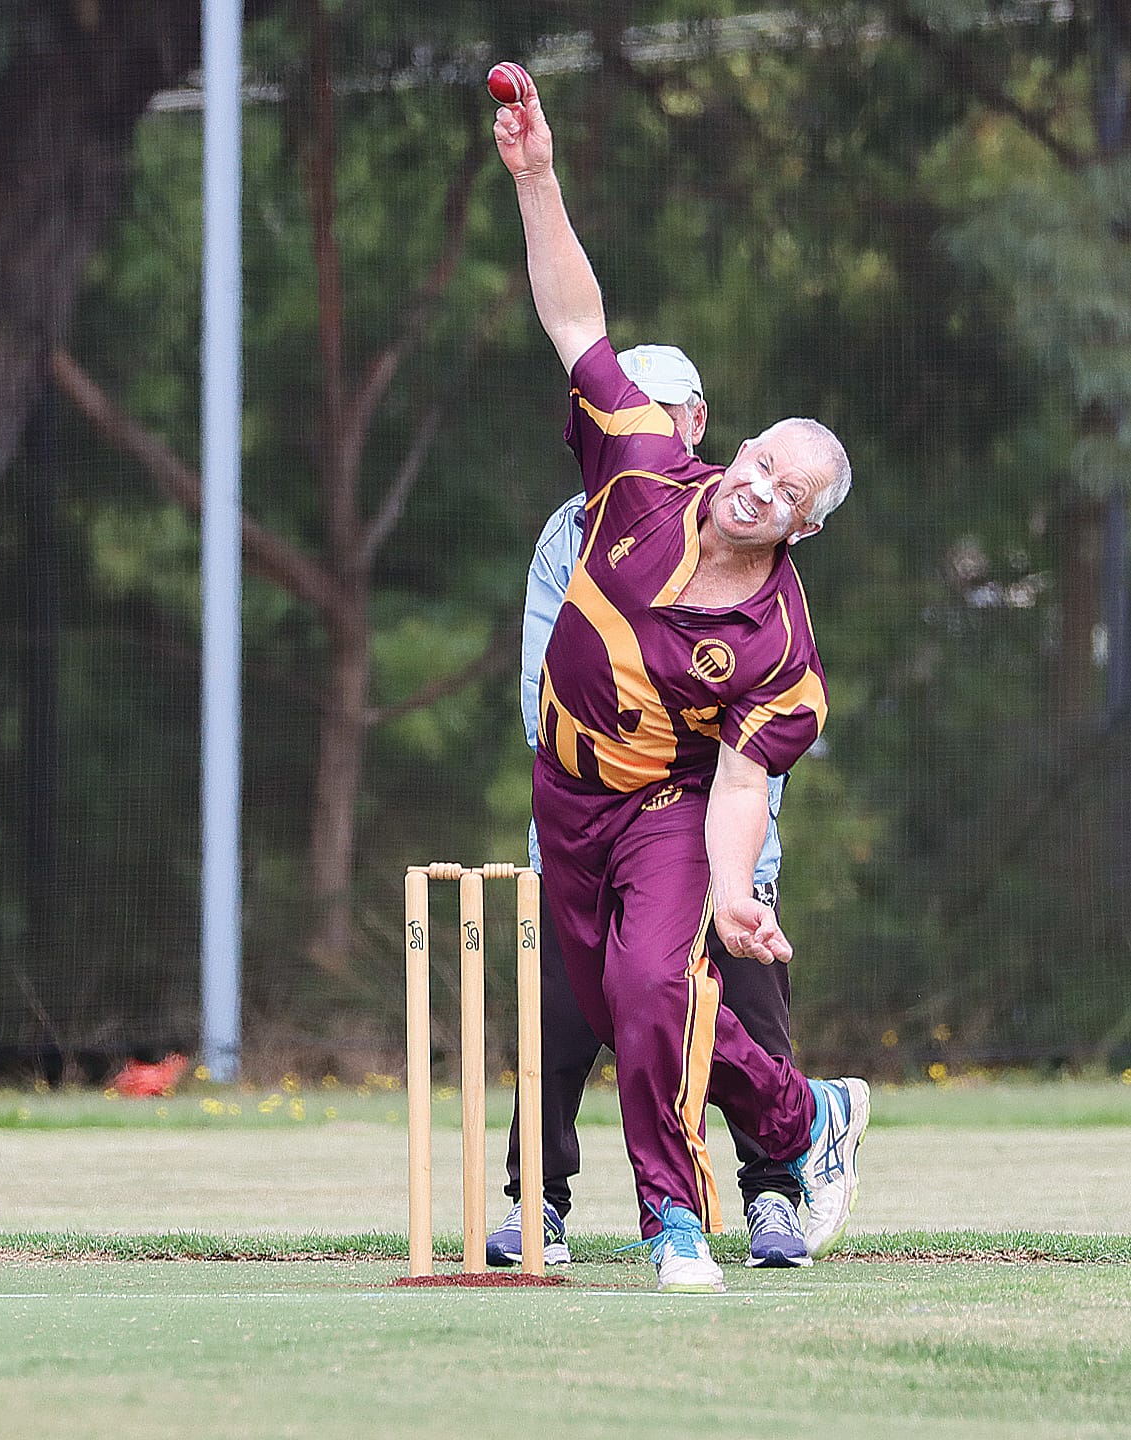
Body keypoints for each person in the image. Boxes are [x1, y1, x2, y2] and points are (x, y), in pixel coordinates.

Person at [490, 78, 867, 1292]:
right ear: (736, 445)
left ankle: (673, 1222)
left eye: (788, 493)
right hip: (566, 795)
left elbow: (744, 780)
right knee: (611, 1007)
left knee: (657, 987)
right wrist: (533, 175)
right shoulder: (642, 469)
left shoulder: (779, 653)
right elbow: (571, 318)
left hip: (666, 805)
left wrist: (730, 893)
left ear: (803, 528)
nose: (761, 488)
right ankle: (805, 1118)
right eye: (762, 461)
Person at [488, 344, 809, 1272]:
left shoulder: (753, 530)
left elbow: (756, 750)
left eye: (664, 411)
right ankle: (538, 1203)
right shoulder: (572, 531)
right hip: (587, 826)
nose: (641, 426)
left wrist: (729, 862)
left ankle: (774, 1194)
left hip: (718, 837)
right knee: (555, 1023)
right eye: (627, 408)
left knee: (744, 1010)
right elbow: (541, 694)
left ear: (697, 421)